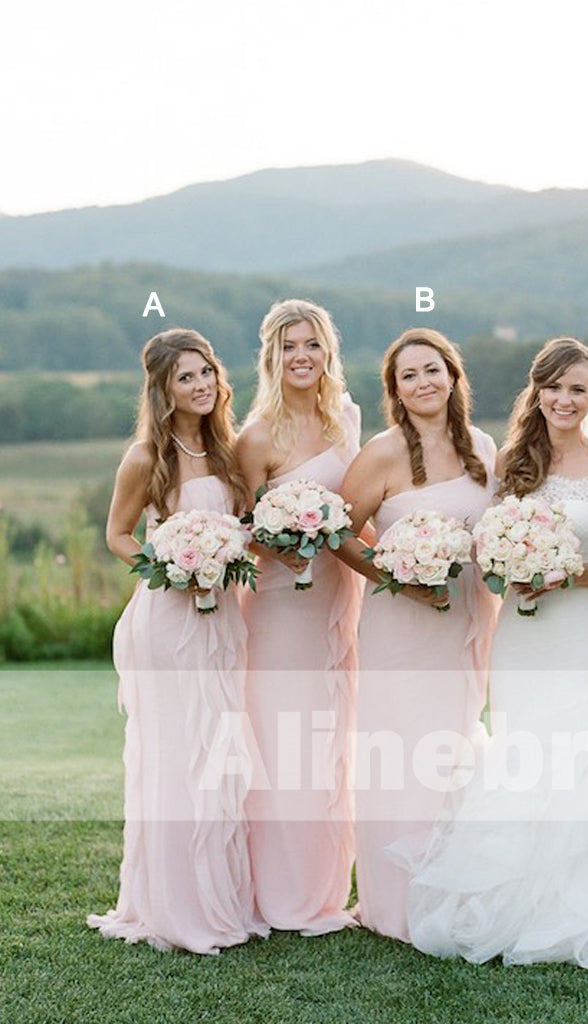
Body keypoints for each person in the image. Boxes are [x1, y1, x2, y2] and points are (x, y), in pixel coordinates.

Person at [401, 337, 588, 970]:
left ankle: (584, 902)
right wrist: (514, 566)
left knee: (583, 748)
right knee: (523, 746)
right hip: (522, 634)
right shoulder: (511, 460)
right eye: (555, 387)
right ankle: (515, 897)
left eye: (578, 389)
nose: (565, 399)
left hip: (581, 627)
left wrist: (566, 575)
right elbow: (487, 546)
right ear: (537, 391)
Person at [87, 328, 266, 954]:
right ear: (162, 389)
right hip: (167, 620)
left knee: (218, 751)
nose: (200, 385)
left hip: (222, 618)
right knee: (176, 753)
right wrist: (169, 570)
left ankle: (218, 900)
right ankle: (171, 905)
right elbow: (118, 533)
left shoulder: (226, 452)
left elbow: (244, 526)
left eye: (207, 372)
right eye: (185, 377)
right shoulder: (145, 457)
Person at [337, 327, 499, 942]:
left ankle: (449, 884)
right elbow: (341, 534)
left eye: (433, 370)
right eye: (409, 375)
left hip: (464, 616)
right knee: (399, 748)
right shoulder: (380, 452)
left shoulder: (483, 446)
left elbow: (495, 530)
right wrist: (399, 577)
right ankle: (393, 902)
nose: (423, 382)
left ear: (453, 377)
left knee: (452, 744)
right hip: (400, 623)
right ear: (395, 391)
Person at [236, 299, 362, 935]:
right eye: (289, 346)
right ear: (272, 358)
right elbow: (240, 530)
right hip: (281, 605)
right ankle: (278, 893)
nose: (302, 356)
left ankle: (321, 890)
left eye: (312, 344)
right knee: (282, 739)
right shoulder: (256, 437)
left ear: (328, 353)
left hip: (337, 599)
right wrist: (279, 539)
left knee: (327, 740)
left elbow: (357, 509)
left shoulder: (348, 420)